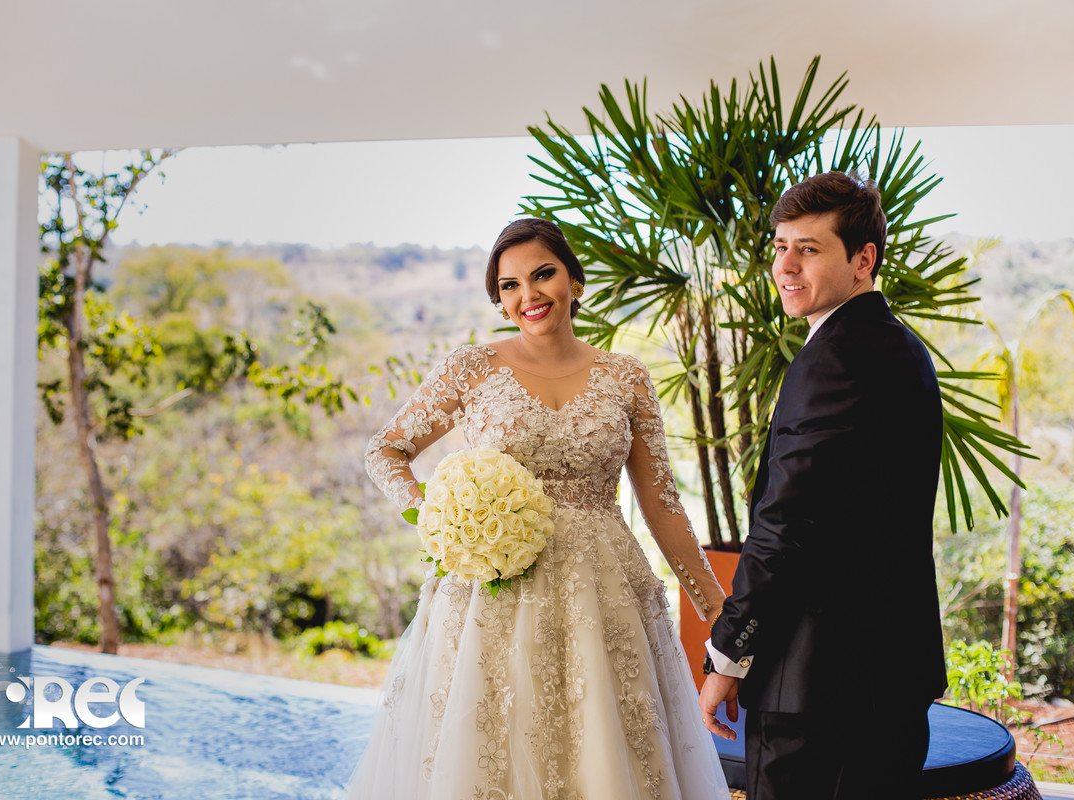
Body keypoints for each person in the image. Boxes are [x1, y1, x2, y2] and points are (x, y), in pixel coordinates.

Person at [348, 217, 731, 799]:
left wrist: (720, 616)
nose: (528, 295)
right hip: (493, 595)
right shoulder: (472, 369)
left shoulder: (626, 377)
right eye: (509, 285)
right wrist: (441, 519)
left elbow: (662, 505)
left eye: (543, 275)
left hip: (603, 598)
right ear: (499, 301)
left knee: (603, 754)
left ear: (574, 281)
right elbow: (387, 450)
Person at [699, 171, 946, 799]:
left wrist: (727, 656)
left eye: (808, 249)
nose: (785, 266)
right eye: (780, 246)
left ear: (863, 259)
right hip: (888, 680)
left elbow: (786, 524)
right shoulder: (901, 348)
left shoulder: (834, 358)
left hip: (818, 689)